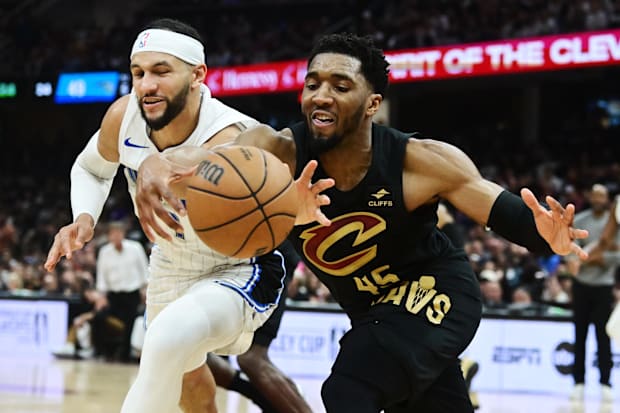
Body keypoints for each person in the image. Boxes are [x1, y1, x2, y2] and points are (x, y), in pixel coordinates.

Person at [135, 33, 589, 412]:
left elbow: (499, 207)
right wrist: (161, 164)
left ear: (372, 103)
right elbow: (203, 162)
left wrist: (546, 236)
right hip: (373, 312)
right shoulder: (274, 153)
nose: (321, 95)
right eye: (312, 83)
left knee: (349, 388)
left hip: (436, 293)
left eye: (339, 84)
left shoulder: (420, 161)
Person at [44, 18, 329, 413]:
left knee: (164, 337)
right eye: (138, 73)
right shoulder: (124, 117)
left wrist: (156, 165)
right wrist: (84, 217)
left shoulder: (234, 134)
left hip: (241, 267)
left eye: (162, 71)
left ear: (198, 75)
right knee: (186, 377)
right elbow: (91, 167)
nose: (147, 85)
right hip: (170, 265)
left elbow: (212, 168)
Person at [206, 240, 312, 413]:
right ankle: (266, 398)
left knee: (251, 358)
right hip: (231, 259)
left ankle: (273, 400)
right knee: (192, 352)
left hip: (265, 255)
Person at [568, 184, 618, 403]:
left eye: (602, 196)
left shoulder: (614, 221)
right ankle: (578, 383)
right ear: (589, 197)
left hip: (604, 286)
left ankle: (605, 383)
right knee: (579, 336)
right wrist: (595, 256)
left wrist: (594, 257)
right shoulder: (580, 220)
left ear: (608, 199)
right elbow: (571, 255)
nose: (598, 199)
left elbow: (616, 254)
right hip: (581, 285)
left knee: (604, 336)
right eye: (595, 195)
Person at [95, 221, 148, 362]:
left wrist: (145, 290)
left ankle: (124, 355)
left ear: (123, 234)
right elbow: (101, 276)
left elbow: (144, 270)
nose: (116, 236)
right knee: (99, 317)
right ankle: (101, 352)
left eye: (118, 232)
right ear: (109, 236)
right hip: (113, 295)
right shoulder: (104, 251)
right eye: (113, 233)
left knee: (130, 321)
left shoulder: (135, 248)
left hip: (132, 294)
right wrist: (101, 297)